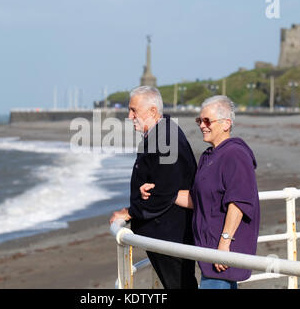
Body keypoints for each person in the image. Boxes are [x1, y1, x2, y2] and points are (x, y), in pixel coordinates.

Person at [140, 95, 260, 289]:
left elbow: (239, 202)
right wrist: (157, 192)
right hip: (208, 250)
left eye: (207, 121)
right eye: (199, 120)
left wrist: (224, 244)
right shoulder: (208, 156)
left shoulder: (235, 154)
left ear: (226, 124)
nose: (202, 125)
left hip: (221, 251)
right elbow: (197, 199)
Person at [109, 86, 198, 289]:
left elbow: (166, 191)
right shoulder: (161, 133)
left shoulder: (166, 137)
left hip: (170, 234)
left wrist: (131, 212)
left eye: (134, 110)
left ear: (152, 111)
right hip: (165, 231)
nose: (130, 116)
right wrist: (143, 189)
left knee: (180, 285)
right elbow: (161, 182)